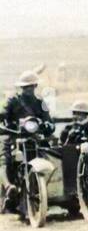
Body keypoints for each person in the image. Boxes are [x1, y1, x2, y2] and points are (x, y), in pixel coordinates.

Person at [3, 71, 53, 207]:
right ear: (21, 88)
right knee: (4, 156)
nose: (28, 89)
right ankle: (9, 187)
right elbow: (3, 115)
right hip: (14, 136)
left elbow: (49, 120)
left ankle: (48, 189)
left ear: (35, 86)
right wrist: (6, 125)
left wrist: (47, 125)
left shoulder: (40, 103)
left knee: (51, 155)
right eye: (25, 87)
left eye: (30, 86)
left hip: (34, 137)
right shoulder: (13, 100)